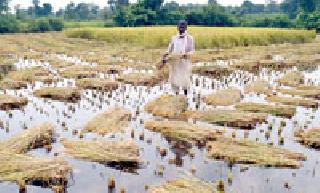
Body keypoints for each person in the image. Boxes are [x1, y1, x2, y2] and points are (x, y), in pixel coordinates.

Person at [162, 20, 195, 96]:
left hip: (184, 62)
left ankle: (185, 95)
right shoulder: (174, 38)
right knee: (174, 79)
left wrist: (185, 55)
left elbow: (192, 50)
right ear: (177, 27)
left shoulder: (190, 38)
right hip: (174, 62)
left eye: (183, 26)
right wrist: (164, 56)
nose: (181, 27)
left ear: (186, 27)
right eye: (180, 26)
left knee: (184, 79)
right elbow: (169, 49)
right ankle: (176, 96)